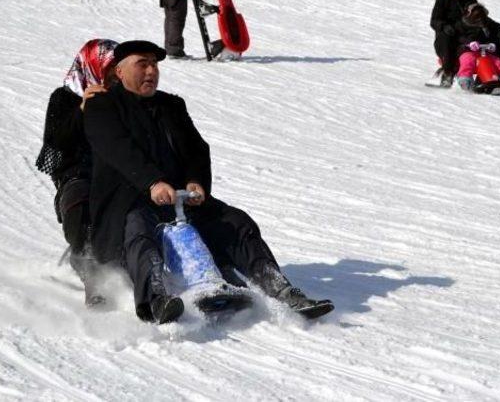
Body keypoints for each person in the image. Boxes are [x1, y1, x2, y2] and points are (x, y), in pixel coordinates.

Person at [83, 40, 334, 324]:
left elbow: (196, 149)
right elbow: (116, 147)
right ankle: (155, 302)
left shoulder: (171, 106)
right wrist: (152, 182)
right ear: (120, 70)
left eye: (155, 65)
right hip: (127, 204)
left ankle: (280, 288)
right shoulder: (102, 106)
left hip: (178, 200)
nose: (151, 71)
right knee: (141, 234)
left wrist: (195, 181)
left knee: (236, 222)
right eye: (143, 64)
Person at [36, 39, 118, 307]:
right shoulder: (64, 98)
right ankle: (93, 282)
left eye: (117, 69)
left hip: (116, 175)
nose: (113, 75)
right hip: (77, 175)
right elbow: (56, 142)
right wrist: (82, 109)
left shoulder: (121, 100)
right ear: (92, 66)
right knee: (81, 201)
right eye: (109, 68)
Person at [430, 0, 500, 87]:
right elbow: (434, 21)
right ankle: (447, 75)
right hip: (448, 38)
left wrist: (497, 26)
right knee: (446, 35)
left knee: (497, 31)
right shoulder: (442, 0)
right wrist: (444, 26)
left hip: (468, 37)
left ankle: (490, 73)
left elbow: (480, 16)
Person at [454, 3, 500, 91]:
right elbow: (459, 37)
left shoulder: (488, 27)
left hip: (484, 52)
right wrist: (469, 43)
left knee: (498, 63)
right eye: (476, 15)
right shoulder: (462, 25)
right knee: (468, 61)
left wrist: (492, 44)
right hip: (467, 51)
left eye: (481, 15)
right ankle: (465, 81)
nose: (479, 18)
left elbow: (493, 38)